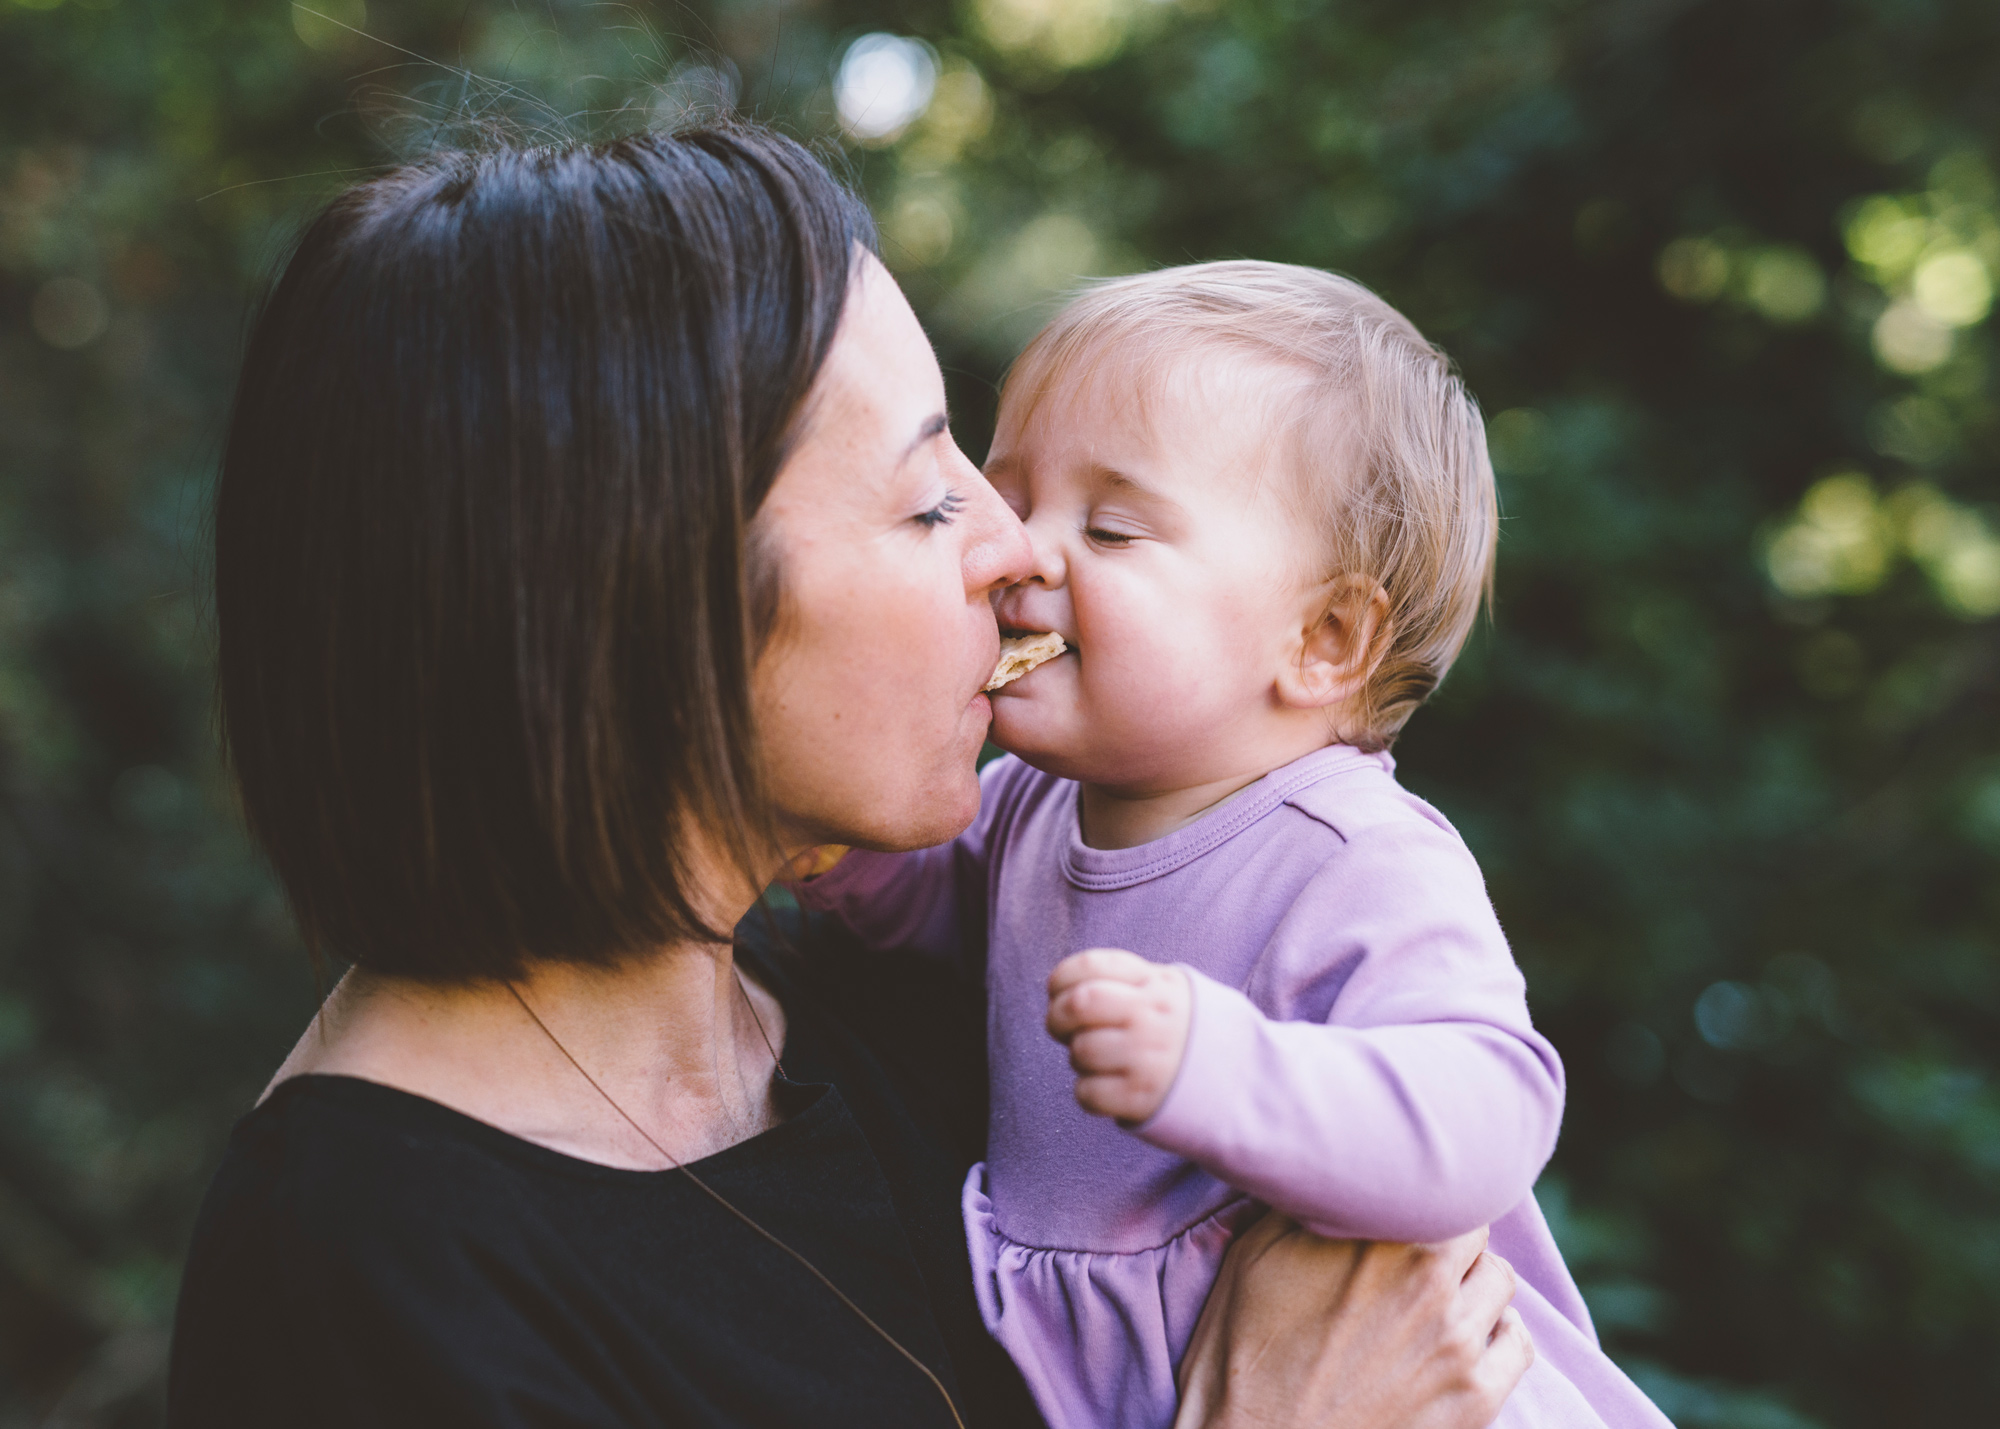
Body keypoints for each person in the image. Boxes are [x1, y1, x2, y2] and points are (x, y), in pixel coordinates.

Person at [163, 127, 1534, 1427]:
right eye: (935, 496)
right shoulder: (364, 1278)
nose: (1014, 550)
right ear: (647, 601)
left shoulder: (929, 1010)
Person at [793, 263, 1670, 1429]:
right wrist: (830, 836)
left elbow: (1490, 1114)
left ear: (1323, 640)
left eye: (1107, 526)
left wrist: (1221, 1067)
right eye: (1011, 502)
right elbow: (933, 910)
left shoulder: (1347, 853)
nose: (1024, 554)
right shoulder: (1030, 807)